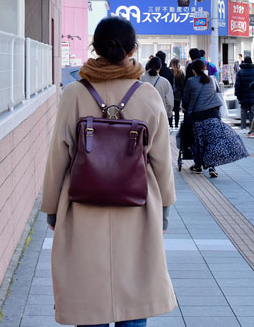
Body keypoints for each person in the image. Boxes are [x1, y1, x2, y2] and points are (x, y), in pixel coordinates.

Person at [41, 17, 176, 326]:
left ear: (95, 48)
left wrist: (51, 207)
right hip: (137, 206)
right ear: (133, 50)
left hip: (82, 204)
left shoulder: (74, 93)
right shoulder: (147, 95)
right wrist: (165, 206)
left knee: (89, 298)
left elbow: (58, 154)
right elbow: (161, 159)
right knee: (133, 297)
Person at [183, 59, 249, 177]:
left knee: (199, 142)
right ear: (204, 69)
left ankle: (198, 165)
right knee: (212, 141)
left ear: (193, 71)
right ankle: (212, 166)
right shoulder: (212, 80)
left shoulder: (191, 81)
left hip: (198, 116)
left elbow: (186, 99)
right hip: (213, 114)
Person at [142, 57, 174, 123]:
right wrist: (169, 114)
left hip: (143, 116)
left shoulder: (140, 79)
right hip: (160, 116)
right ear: (160, 67)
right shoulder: (165, 82)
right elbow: (169, 102)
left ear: (149, 65)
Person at [234, 56, 254, 132]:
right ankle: (252, 128)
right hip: (253, 95)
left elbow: (237, 85)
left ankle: (243, 128)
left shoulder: (240, 72)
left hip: (243, 95)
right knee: (253, 112)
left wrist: (237, 94)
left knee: (243, 111)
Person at [170, 58, 186, 129]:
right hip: (178, 95)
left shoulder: (169, 72)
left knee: (169, 110)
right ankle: (176, 125)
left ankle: (170, 125)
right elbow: (183, 85)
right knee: (176, 110)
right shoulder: (181, 73)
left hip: (169, 94)